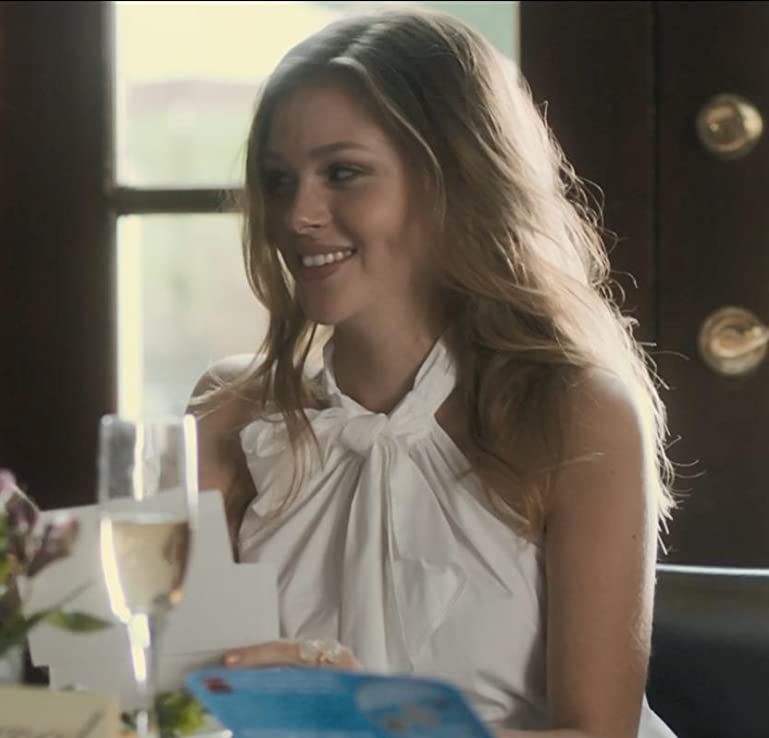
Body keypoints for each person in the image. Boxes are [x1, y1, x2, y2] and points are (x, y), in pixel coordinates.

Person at [185, 8, 678, 738]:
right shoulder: (231, 409)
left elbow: (598, 733)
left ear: (452, 181)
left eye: (343, 173)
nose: (296, 215)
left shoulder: (576, 413)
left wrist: (366, 725)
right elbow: (164, 693)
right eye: (278, 180)